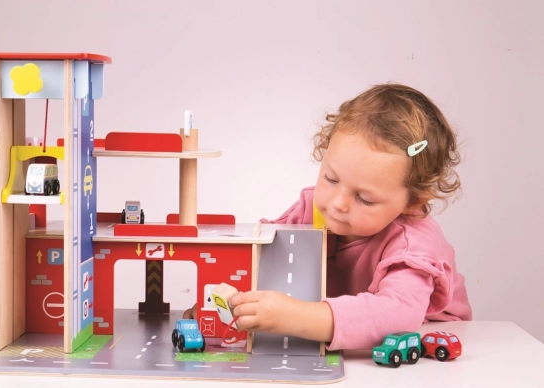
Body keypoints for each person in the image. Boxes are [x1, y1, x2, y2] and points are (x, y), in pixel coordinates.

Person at [185, 83, 472, 350]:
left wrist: (295, 316)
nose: (337, 204)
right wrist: (226, 303)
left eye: (364, 198)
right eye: (331, 179)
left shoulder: (413, 244)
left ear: (413, 201)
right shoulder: (312, 209)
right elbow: (261, 257)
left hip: (426, 348)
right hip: (340, 348)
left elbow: (398, 315)